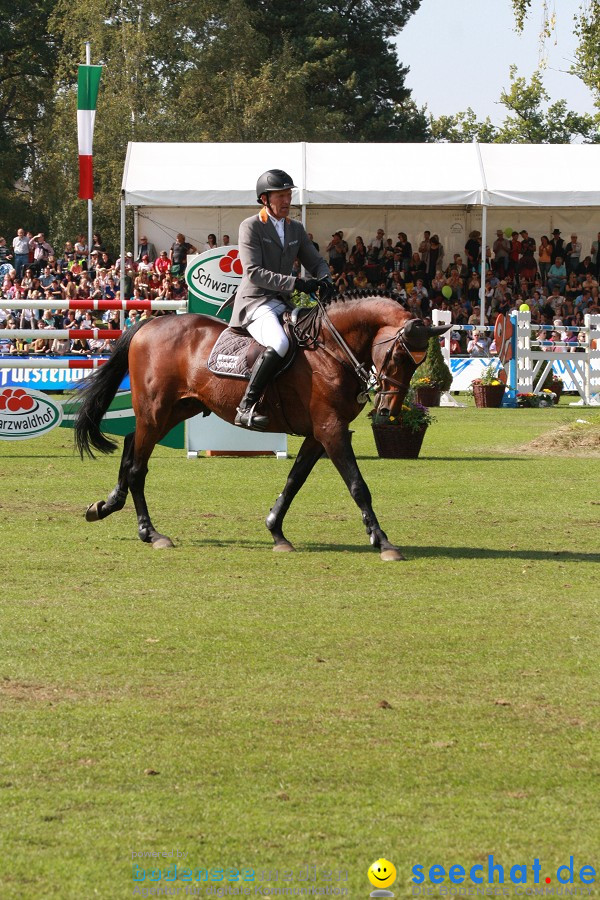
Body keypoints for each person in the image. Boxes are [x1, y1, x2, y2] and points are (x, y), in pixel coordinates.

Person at [230, 168, 333, 430]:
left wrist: (325, 279)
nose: (287, 200)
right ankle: (246, 406)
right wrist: (295, 282)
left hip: (283, 303)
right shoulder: (251, 226)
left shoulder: (295, 229)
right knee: (279, 342)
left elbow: (316, 261)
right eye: (281, 195)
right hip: (255, 302)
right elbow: (253, 272)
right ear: (265, 199)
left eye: (289, 194)